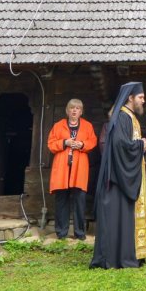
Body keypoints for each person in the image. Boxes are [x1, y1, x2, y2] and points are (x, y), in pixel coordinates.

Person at [91, 82, 146, 269]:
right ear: (130, 98)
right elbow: (119, 146)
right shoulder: (122, 117)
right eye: (140, 97)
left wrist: (139, 145)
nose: (143, 100)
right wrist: (140, 145)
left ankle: (129, 255)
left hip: (125, 174)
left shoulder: (129, 116)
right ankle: (118, 258)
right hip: (118, 179)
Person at [48, 99, 97, 239]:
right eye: (72, 108)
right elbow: (51, 144)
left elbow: (92, 141)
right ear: (67, 110)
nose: (74, 110)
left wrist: (82, 144)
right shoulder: (58, 126)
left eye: (77, 108)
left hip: (79, 169)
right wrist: (64, 142)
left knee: (79, 201)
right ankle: (61, 233)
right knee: (61, 201)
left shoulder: (87, 126)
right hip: (62, 168)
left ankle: (80, 233)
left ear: (81, 112)